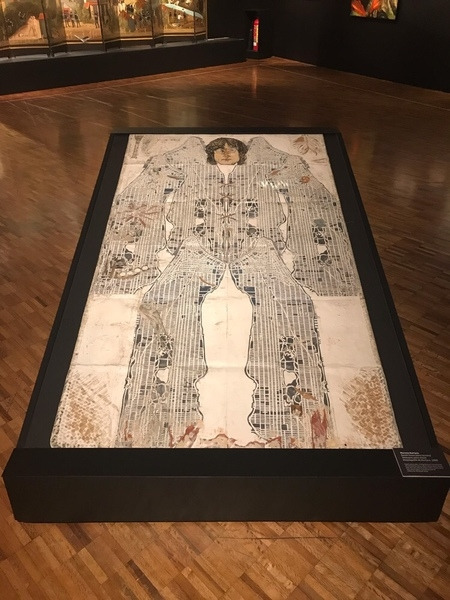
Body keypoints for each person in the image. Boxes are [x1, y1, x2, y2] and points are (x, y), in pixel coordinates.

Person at [88, 136, 358, 448]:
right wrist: (138, 259)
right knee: (159, 305)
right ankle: (160, 423)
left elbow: (306, 188)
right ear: (208, 153)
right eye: (219, 149)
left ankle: (290, 421)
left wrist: (315, 261)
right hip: (196, 248)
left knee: (293, 305)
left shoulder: (266, 163)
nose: (226, 153)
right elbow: (144, 190)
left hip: (258, 248)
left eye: (232, 148)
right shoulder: (187, 164)